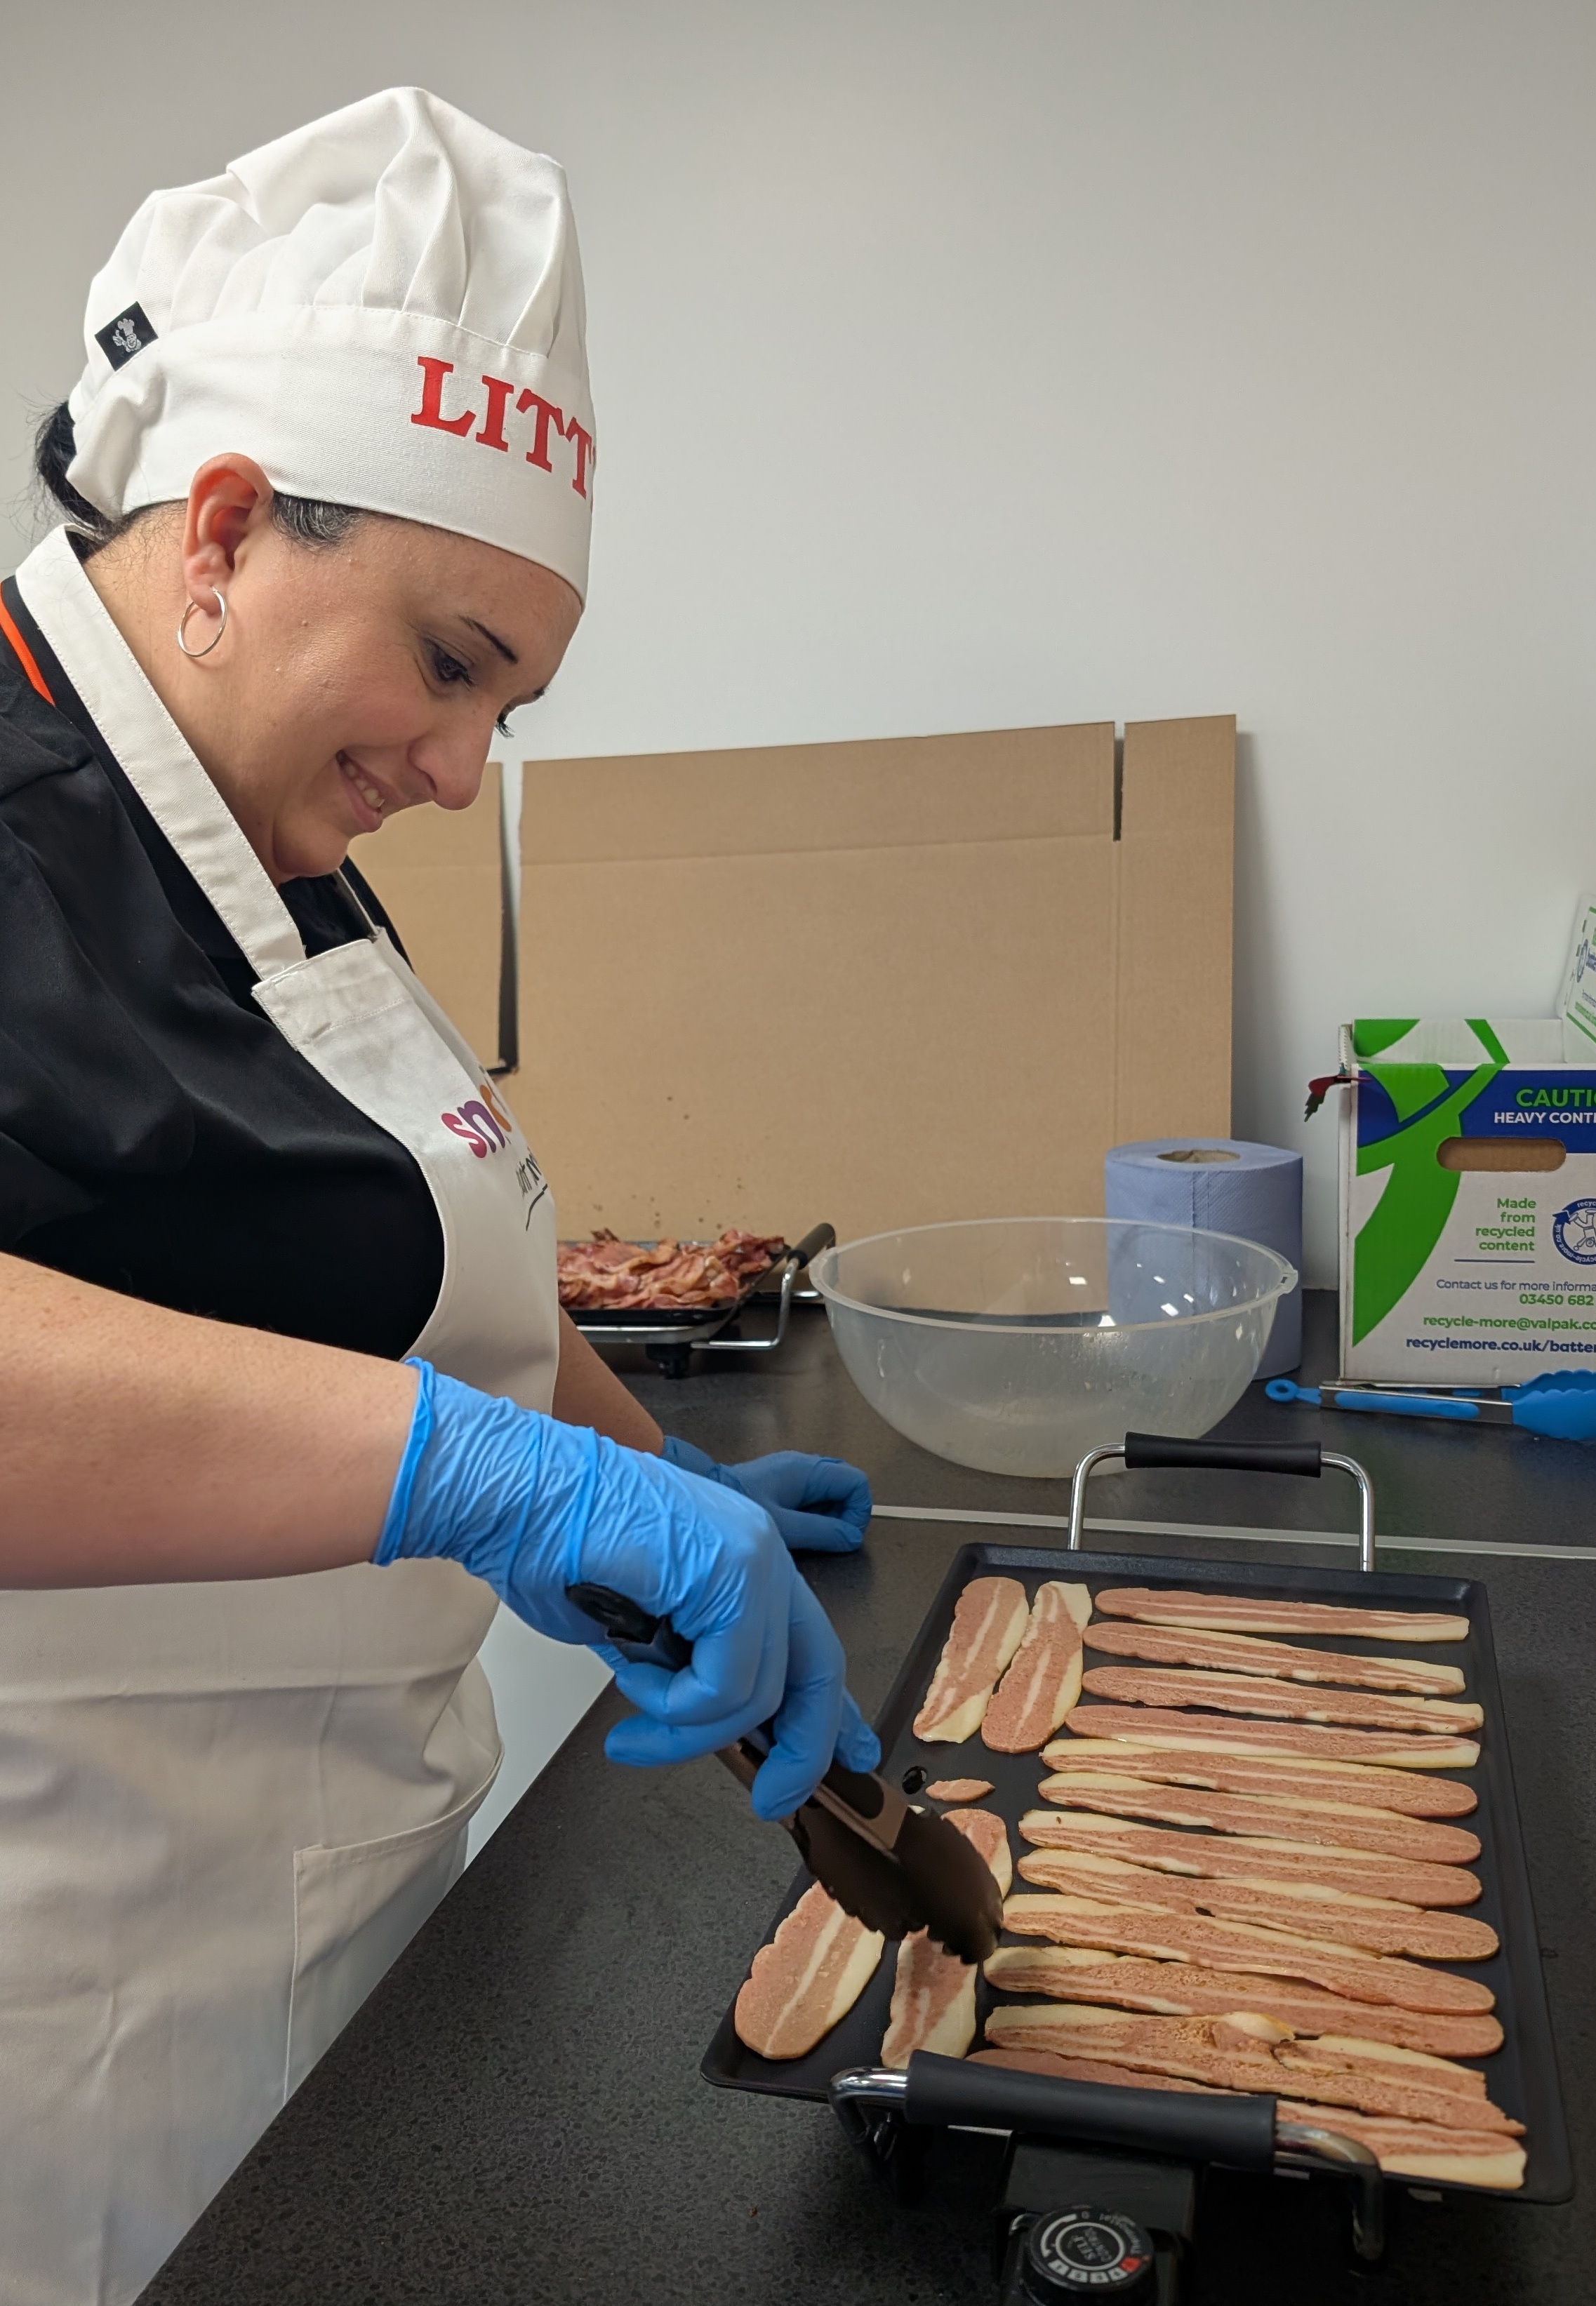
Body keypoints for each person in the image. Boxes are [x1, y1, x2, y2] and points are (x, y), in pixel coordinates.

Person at [0, 88, 876, 2306]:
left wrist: (648, 1466)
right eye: (453, 663)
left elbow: (392, 1238)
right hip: (70, 2000)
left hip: (339, 1900)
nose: (465, 767)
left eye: (514, 701)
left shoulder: (263, 818)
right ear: (220, 529)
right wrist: (482, 1476)